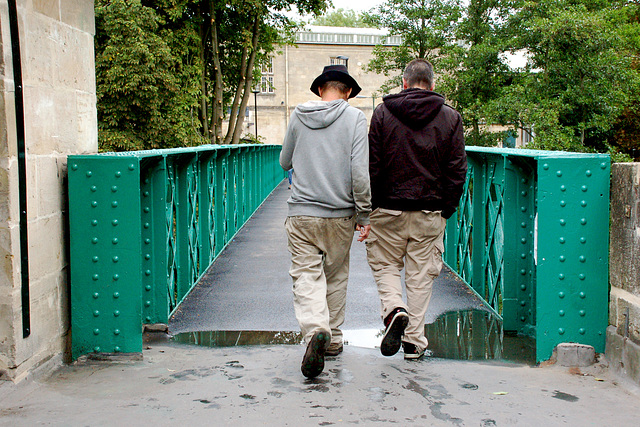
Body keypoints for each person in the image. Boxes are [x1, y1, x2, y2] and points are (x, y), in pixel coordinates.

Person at [366, 59, 467, 360]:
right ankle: (413, 343)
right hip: (429, 211)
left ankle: (395, 309)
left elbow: (372, 164)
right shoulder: (451, 117)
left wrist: (370, 207)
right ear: (433, 85)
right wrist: (446, 208)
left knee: (384, 264)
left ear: (404, 83)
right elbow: (457, 169)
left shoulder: (382, 113)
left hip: (388, 209)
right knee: (421, 276)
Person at [280, 64, 372, 378]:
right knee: (335, 275)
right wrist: (364, 214)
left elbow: (284, 160)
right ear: (347, 93)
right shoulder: (356, 118)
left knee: (306, 277)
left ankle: (316, 331)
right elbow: (360, 174)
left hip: (302, 213)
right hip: (340, 215)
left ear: (321, 89)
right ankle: (332, 340)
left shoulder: (298, 115)